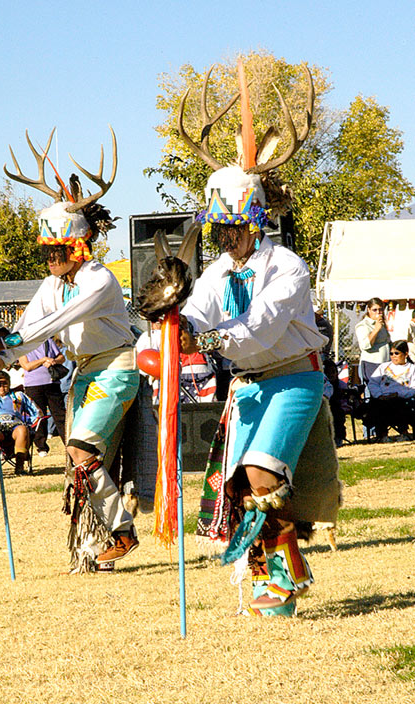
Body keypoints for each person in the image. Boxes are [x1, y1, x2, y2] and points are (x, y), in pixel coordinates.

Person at [175, 62, 333, 616]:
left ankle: (282, 583)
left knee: (263, 475)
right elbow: (197, 310)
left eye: (236, 225)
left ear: (257, 217)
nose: (228, 237)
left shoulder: (286, 265)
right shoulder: (218, 271)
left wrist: (205, 342)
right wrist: (175, 323)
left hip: (294, 378)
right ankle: (284, 575)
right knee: (242, 489)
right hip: (247, 386)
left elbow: (261, 330)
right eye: (220, 228)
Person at [0, 127, 140, 572]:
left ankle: (123, 531)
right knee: (86, 466)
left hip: (116, 368)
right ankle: (94, 553)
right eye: (47, 251)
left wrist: (11, 347)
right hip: (85, 374)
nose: (51, 259)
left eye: (58, 249)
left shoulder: (99, 279)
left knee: (79, 452)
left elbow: (57, 322)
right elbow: (29, 322)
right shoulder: (55, 283)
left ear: (78, 244)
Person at [0, 370, 41, 474]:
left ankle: (19, 466)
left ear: (9, 384)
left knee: (22, 430)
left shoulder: (18, 396)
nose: (1, 387)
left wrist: (32, 425)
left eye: (4, 383)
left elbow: (36, 411)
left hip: (14, 426)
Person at [18, 338, 67, 456]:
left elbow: (62, 357)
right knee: (39, 416)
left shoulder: (47, 341)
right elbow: (27, 366)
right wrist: (43, 360)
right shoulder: (22, 346)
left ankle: (68, 442)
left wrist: (53, 361)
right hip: (33, 385)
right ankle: (41, 446)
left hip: (52, 383)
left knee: (60, 415)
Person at [367, 339, 415, 442]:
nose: (393, 356)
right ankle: (382, 435)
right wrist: (379, 395)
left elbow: (413, 388)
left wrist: (398, 394)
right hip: (382, 397)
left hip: (401, 398)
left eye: (396, 353)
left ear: (406, 354)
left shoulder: (412, 369)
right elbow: (373, 383)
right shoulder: (383, 367)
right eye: (391, 353)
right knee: (378, 405)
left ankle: (404, 433)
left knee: (399, 403)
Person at [355, 298, 391, 386]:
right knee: (372, 391)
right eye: (375, 310)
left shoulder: (382, 324)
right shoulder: (363, 325)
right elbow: (365, 345)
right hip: (371, 364)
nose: (378, 312)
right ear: (368, 310)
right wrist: (376, 329)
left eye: (381, 309)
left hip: (385, 363)